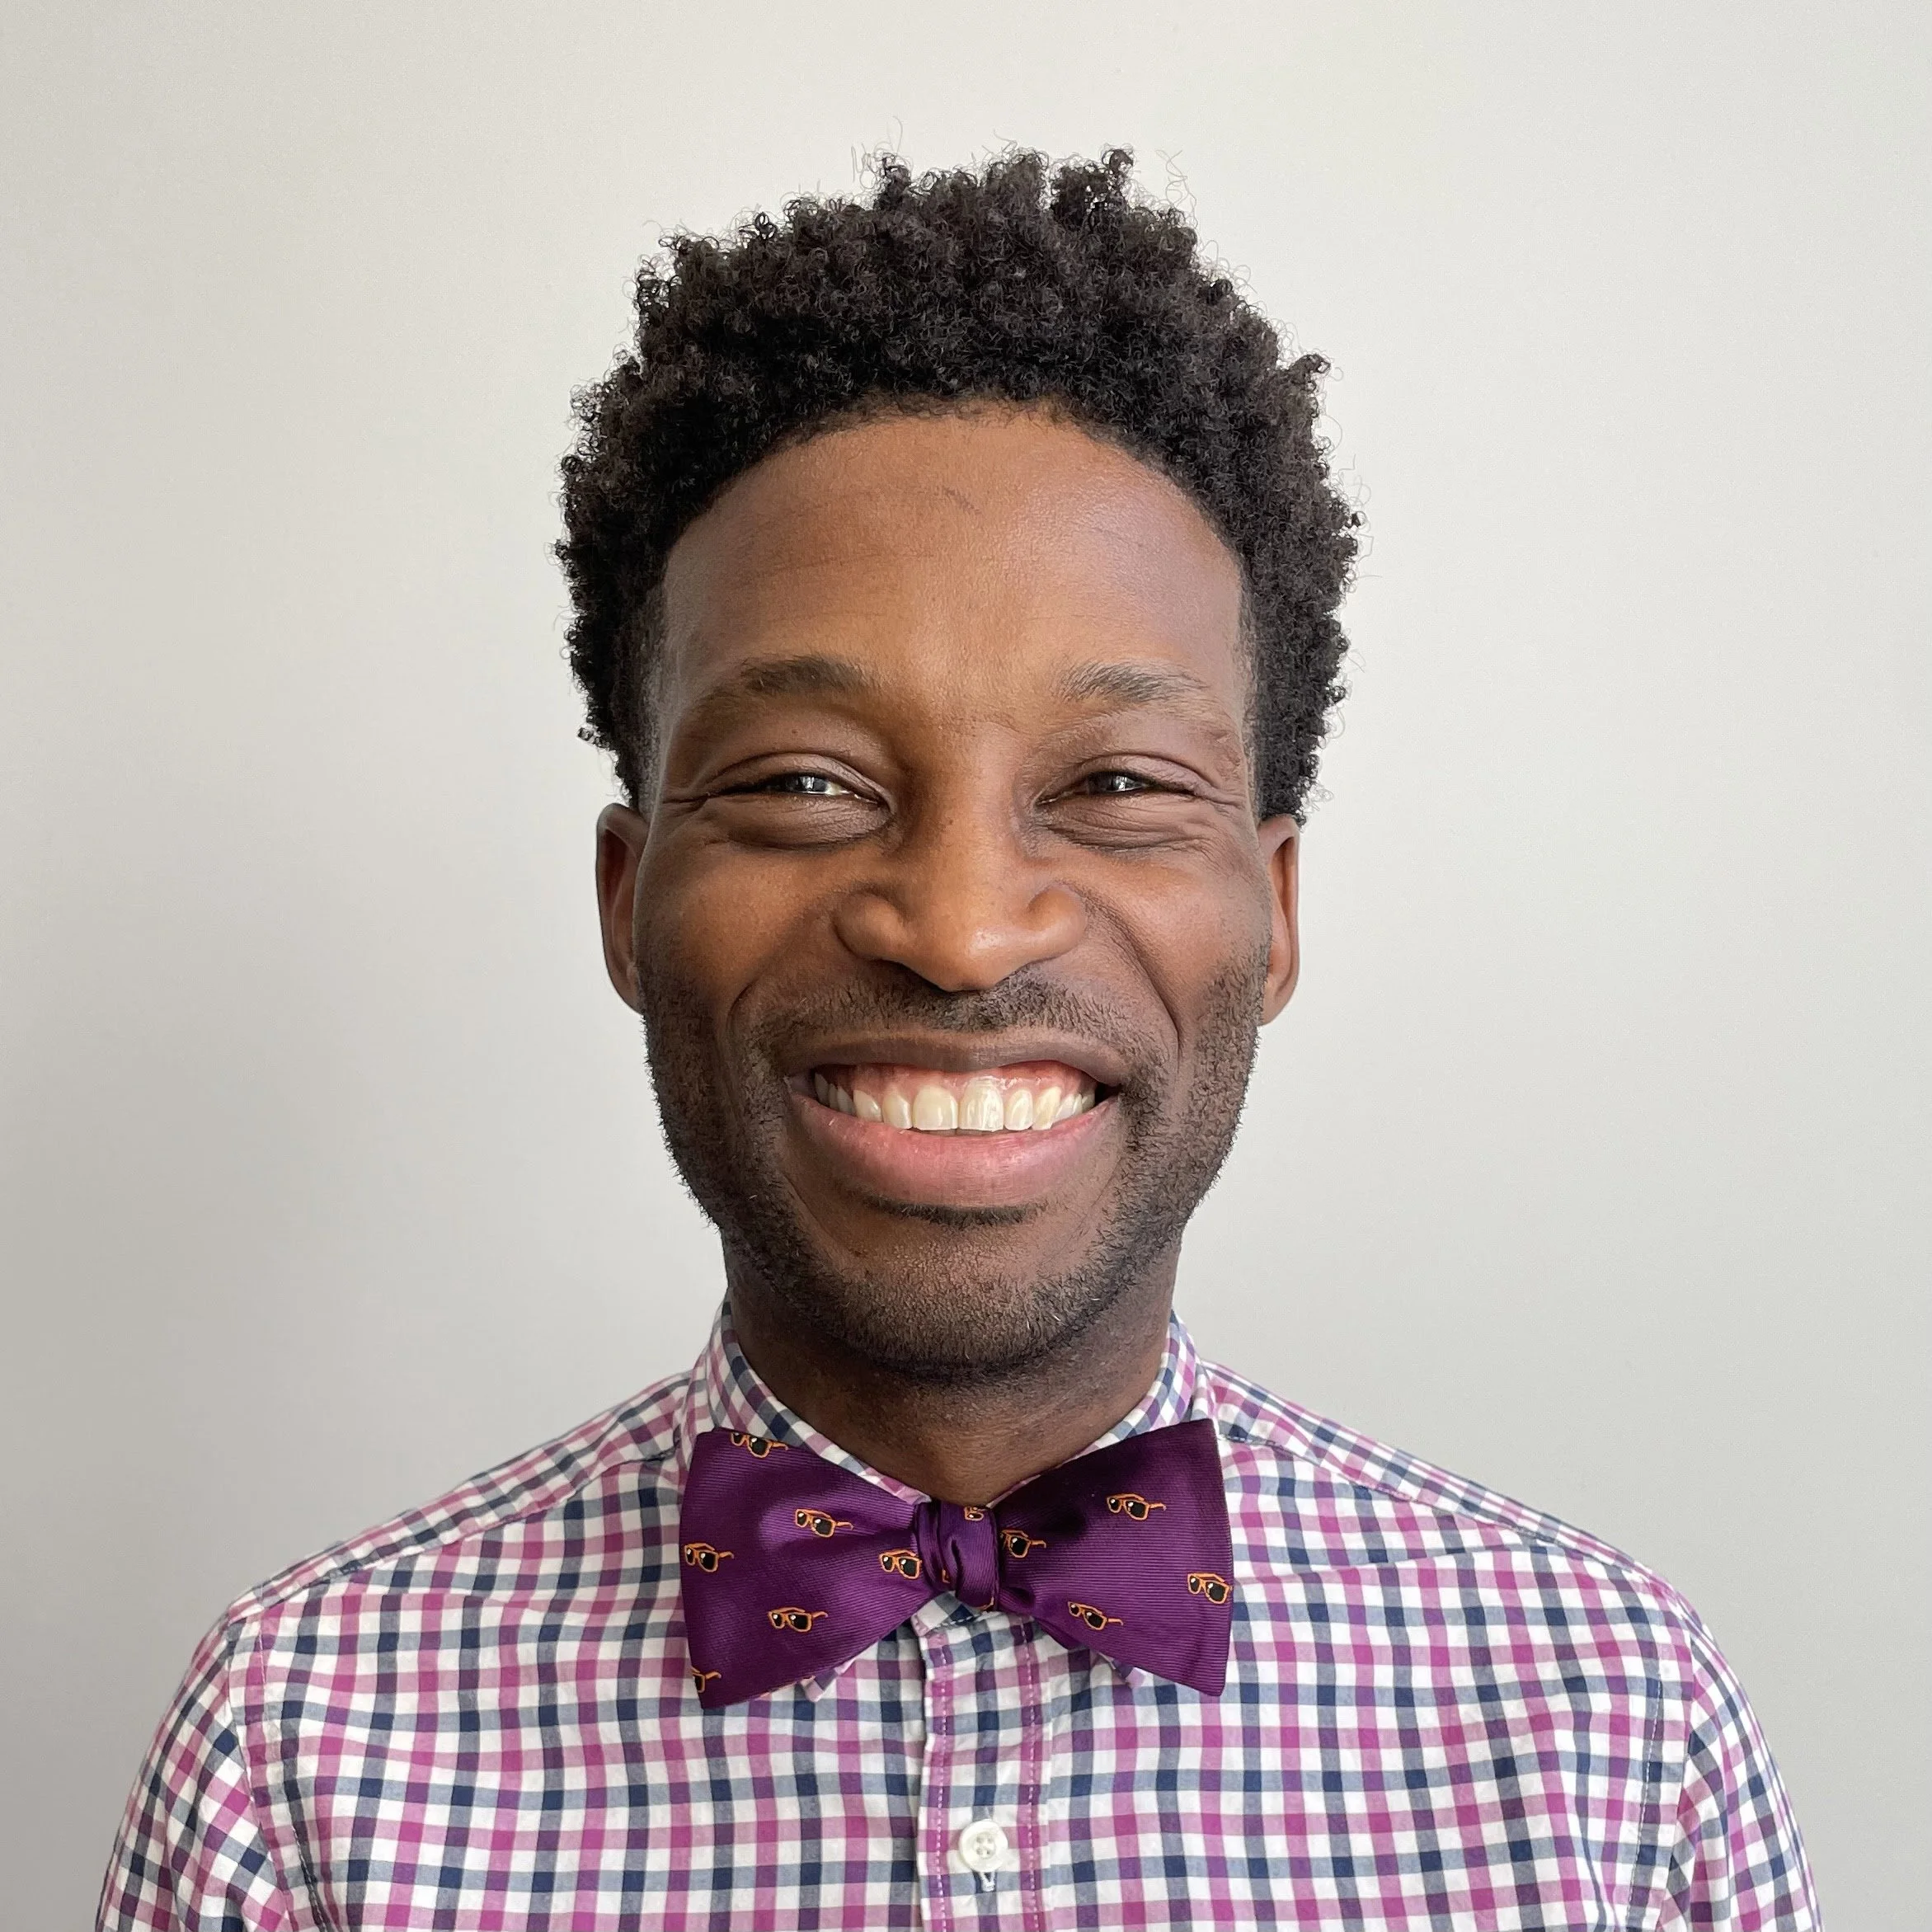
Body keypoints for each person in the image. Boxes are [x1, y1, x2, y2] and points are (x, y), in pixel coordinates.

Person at [99, 150, 1818, 1931]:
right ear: (628, 899)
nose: (962, 926)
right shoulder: (296, 1748)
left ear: (1276, 912)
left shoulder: (1618, 1732)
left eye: (1117, 787)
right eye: (803, 783)